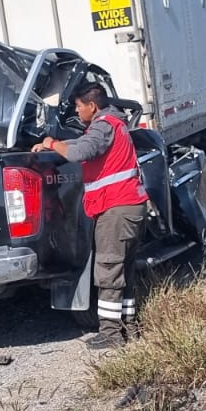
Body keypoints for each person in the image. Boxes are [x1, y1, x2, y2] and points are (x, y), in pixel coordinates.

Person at [31, 84, 150, 349]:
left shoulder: (102, 125)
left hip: (117, 208)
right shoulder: (111, 124)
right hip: (128, 206)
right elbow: (81, 144)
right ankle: (128, 325)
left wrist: (52, 143)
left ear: (92, 106)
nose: (76, 110)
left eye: (78, 106)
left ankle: (110, 334)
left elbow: (79, 152)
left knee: (108, 270)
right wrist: (53, 146)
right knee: (123, 271)